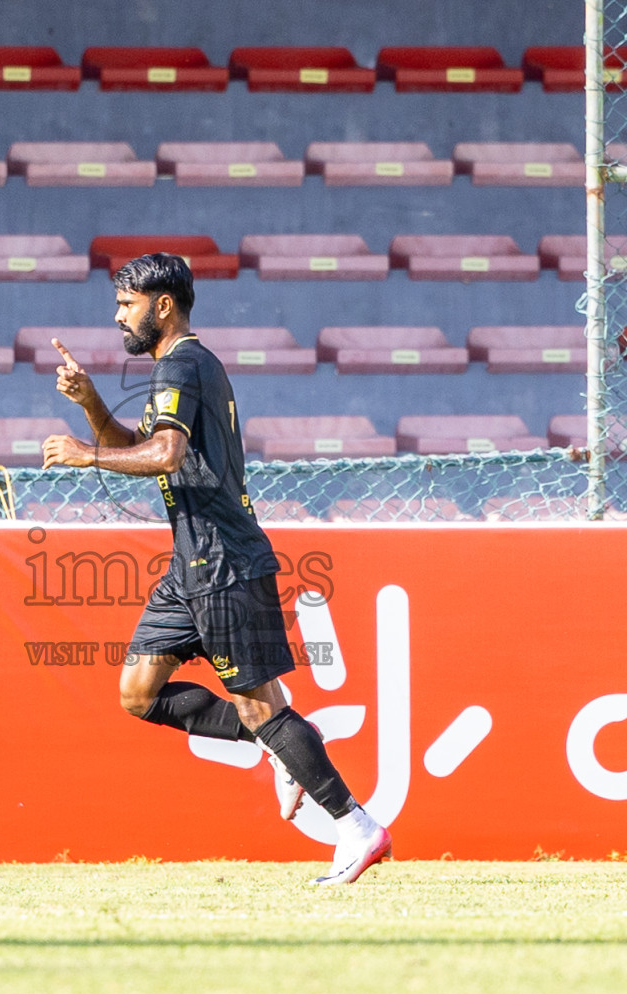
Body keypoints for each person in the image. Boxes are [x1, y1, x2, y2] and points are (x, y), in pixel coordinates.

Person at [41, 252, 391, 885]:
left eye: (127, 305)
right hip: (190, 565)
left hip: (224, 562)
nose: (119, 316)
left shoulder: (184, 364)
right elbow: (141, 446)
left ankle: (355, 826)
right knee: (138, 694)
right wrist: (93, 403)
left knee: (261, 708)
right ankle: (281, 744)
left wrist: (85, 456)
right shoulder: (180, 369)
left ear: (163, 306)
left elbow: (166, 455)